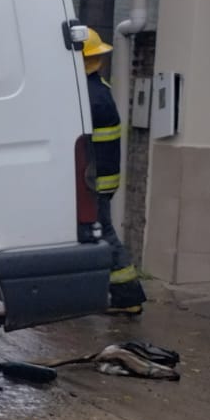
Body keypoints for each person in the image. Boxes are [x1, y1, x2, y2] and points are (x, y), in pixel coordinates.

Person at [85, 28, 146, 316]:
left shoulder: (89, 98)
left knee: (104, 232)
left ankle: (127, 295)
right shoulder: (100, 89)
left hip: (94, 180)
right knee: (95, 232)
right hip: (101, 178)